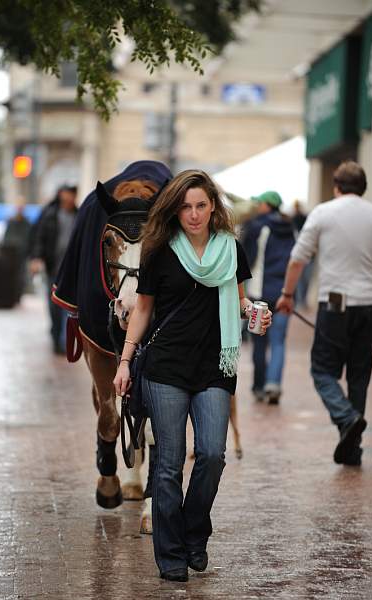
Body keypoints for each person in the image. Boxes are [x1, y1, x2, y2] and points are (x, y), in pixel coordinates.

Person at [114, 170, 272, 582]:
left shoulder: (230, 249)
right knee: (167, 465)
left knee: (211, 456)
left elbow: (238, 302)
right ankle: (170, 554)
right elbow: (143, 310)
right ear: (175, 210)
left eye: (201, 205)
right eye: (186, 206)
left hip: (214, 367)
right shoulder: (160, 251)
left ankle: (193, 532)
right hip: (166, 367)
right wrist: (125, 361)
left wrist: (256, 312)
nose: (194, 214)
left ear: (213, 208)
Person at [276, 161, 372, 467]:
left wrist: (288, 295)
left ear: (336, 186)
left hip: (334, 303)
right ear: (363, 187)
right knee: (359, 377)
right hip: (370, 304)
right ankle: (352, 449)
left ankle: (346, 418)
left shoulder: (323, 213)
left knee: (322, 371)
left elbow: (298, 259)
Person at [241, 190, 295, 404]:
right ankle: (274, 383)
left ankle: (259, 386)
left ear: (267, 205)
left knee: (259, 342)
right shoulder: (290, 227)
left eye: (259, 203)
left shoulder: (258, 227)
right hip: (283, 294)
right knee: (279, 341)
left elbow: (247, 258)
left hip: (259, 295)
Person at [30, 185, 78, 353]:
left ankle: (64, 341)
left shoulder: (78, 216)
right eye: (66, 193)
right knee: (54, 306)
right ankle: (56, 336)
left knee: (68, 305)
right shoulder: (50, 215)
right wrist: (36, 258)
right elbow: (39, 238)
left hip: (71, 270)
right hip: (53, 268)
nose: (69, 197)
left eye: (72, 194)